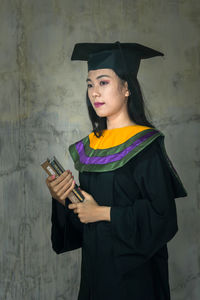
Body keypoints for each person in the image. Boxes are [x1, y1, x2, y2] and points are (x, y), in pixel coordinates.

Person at [46, 42, 187, 300]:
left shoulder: (145, 145)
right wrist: (62, 199)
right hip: (95, 276)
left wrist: (102, 212)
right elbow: (82, 225)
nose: (94, 93)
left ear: (126, 88)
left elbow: (163, 218)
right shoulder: (92, 147)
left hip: (135, 281)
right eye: (90, 84)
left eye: (103, 82)